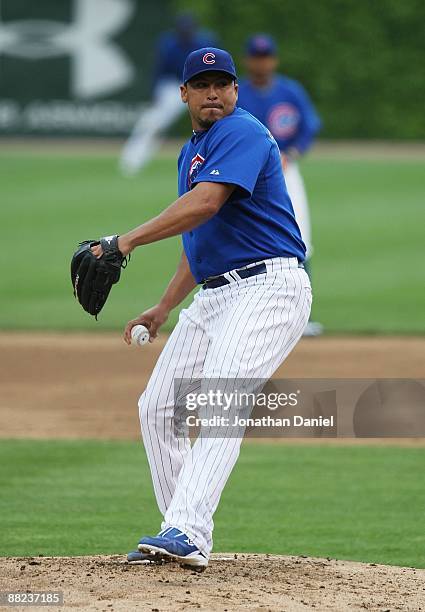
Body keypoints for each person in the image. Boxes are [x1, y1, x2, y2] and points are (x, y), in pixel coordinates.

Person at [94, 47, 311, 570]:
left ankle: (186, 530)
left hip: (269, 289)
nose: (214, 92)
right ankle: (181, 533)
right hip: (216, 295)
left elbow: (206, 204)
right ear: (184, 94)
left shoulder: (240, 131)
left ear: (235, 91)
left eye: (223, 83)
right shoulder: (192, 150)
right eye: (203, 84)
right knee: (158, 408)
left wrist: (123, 242)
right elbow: (202, 236)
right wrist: (164, 306)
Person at [237, 34, 322, 336]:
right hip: (246, 175)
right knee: (242, 235)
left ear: (273, 60)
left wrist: (293, 152)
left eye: (266, 56)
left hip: (286, 172)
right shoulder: (238, 94)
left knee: (300, 234)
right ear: (248, 60)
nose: (262, 62)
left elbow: (310, 126)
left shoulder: (290, 91)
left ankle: (303, 316)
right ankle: (244, 311)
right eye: (256, 57)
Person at [119, 12, 217, 175]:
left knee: (215, 123)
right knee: (153, 123)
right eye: (183, 30)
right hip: (174, 86)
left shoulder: (205, 41)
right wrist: (155, 92)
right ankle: (132, 160)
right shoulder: (169, 43)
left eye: (188, 29)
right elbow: (159, 70)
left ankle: (218, 162)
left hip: (200, 85)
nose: (186, 33)